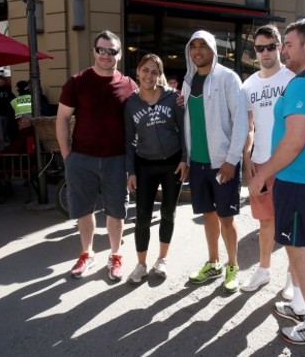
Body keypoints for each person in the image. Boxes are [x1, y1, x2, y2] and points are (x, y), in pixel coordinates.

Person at [248, 19, 305, 345]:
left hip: (298, 183)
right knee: (300, 248)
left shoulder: (302, 84)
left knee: (301, 253)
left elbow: (294, 140)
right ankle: (301, 306)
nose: (282, 49)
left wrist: (262, 173)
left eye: (287, 44)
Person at [56, 30, 138, 281]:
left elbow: (145, 113)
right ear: (93, 51)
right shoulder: (77, 82)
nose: (106, 55)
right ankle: (86, 253)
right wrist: (67, 155)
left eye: (112, 51)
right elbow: (62, 118)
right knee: (84, 210)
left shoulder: (129, 85)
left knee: (117, 211)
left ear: (119, 55)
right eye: (101, 50)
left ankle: (115, 256)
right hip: (82, 158)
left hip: (116, 160)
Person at [182, 30, 248, 293]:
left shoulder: (227, 78)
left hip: (223, 163)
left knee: (226, 217)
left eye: (203, 46)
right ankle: (213, 263)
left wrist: (232, 160)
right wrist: (186, 159)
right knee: (208, 215)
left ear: (213, 50)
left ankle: (233, 265)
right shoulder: (188, 82)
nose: (197, 51)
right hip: (197, 163)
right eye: (193, 46)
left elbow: (241, 120)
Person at [241, 25, 295, 296]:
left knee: (289, 222)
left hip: (288, 162)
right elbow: (249, 126)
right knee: (265, 221)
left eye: (270, 46)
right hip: (260, 163)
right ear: (255, 51)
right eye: (260, 48)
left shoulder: (292, 79)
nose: (265, 52)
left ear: (279, 47)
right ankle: (263, 270)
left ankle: (292, 276)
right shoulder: (248, 85)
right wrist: (246, 155)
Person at [124, 54, 188, 283]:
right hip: (144, 165)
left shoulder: (173, 98)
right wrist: (130, 171)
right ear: (137, 71)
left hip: (172, 163)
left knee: (168, 213)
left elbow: (184, 130)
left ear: (159, 75)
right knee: (141, 216)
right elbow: (129, 140)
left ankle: (162, 259)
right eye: (145, 70)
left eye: (154, 71)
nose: (149, 75)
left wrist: (185, 159)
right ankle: (140, 264)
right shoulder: (131, 103)